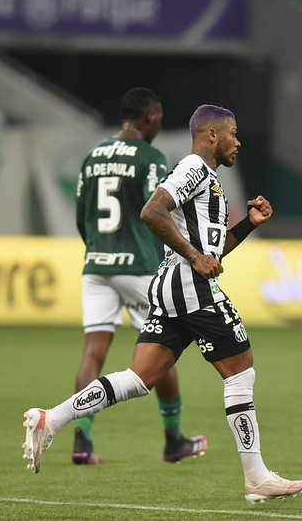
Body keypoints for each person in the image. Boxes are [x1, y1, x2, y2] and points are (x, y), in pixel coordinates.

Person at [23, 104, 302, 504]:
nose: (238, 141)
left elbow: (213, 251)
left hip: (171, 288)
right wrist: (194, 257)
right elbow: (152, 211)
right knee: (240, 373)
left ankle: (50, 419)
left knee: (138, 379)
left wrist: (247, 224)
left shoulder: (208, 179)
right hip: (190, 288)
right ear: (211, 135)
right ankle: (257, 477)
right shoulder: (193, 167)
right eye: (232, 133)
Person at [73, 87, 207, 464]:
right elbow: (156, 213)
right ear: (149, 117)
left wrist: (97, 249)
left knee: (93, 352)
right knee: (163, 350)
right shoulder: (150, 157)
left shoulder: (93, 155)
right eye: (159, 119)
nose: (159, 125)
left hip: (96, 265)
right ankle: (174, 439)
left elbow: (81, 216)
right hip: (138, 268)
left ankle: (82, 441)